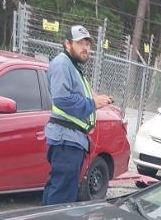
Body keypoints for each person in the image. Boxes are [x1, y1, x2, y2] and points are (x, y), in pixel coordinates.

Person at [42, 25, 114, 205]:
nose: (85, 47)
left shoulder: (72, 66)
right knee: (62, 194)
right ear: (67, 44)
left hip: (71, 139)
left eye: (87, 43)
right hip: (66, 140)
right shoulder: (62, 64)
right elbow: (62, 99)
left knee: (59, 187)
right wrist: (92, 103)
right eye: (80, 43)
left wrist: (94, 97)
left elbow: (71, 95)